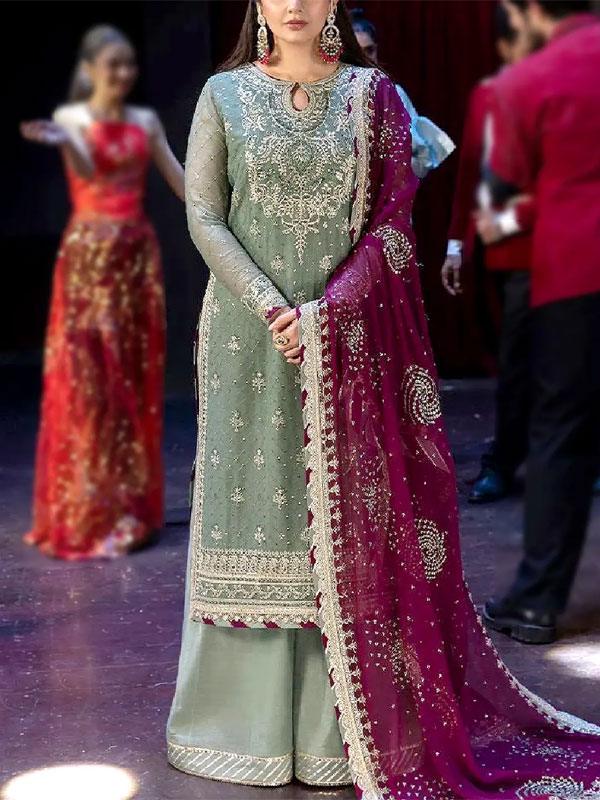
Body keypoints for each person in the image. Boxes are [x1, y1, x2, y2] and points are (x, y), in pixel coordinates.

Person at [168, 0, 600, 796]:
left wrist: (329, 312)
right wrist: (271, 307)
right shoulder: (221, 95)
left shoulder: (373, 96)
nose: (294, 4)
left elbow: (394, 224)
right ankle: (238, 727)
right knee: (252, 507)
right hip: (247, 338)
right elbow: (203, 213)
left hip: (352, 337)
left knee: (350, 516)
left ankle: (341, 728)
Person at [21, 25, 184, 560]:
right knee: (88, 380)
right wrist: (69, 140)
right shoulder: (71, 120)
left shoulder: (145, 122)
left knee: (128, 382)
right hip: (88, 262)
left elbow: (182, 184)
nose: (122, 74)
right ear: (90, 69)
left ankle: (127, 509)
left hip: (134, 261)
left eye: (128, 64)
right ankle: (86, 507)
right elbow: (92, 175)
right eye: (112, 64)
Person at [482, 0, 600, 645]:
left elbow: (508, 183)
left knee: (561, 430)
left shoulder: (526, 81)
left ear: (529, 10)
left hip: (574, 271)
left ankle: (535, 605)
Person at [442, 0, 536, 504]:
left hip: (567, 244)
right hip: (513, 256)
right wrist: (457, 244)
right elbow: (469, 174)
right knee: (517, 361)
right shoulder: (491, 95)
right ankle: (506, 459)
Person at [350, 7, 455, 179]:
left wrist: (395, 168)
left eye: (369, 51)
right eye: (357, 53)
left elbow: (421, 160)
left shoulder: (394, 95)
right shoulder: (330, 98)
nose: (365, 60)